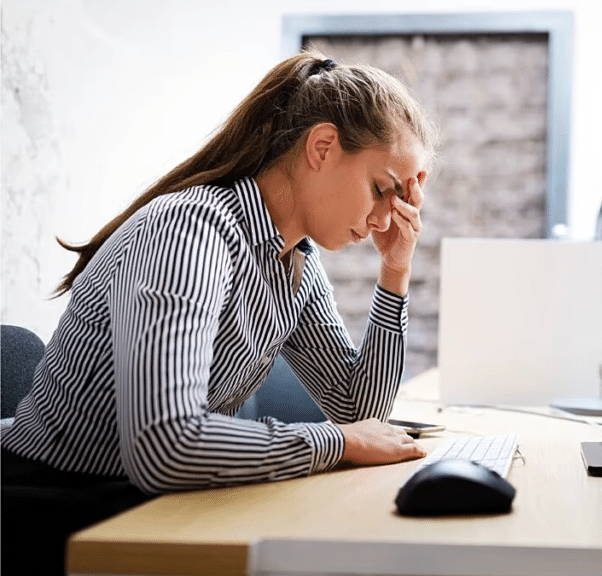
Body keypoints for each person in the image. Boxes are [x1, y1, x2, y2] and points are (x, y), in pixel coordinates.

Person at [1, 50, 434, 574]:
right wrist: (336, 443)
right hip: (52, 505)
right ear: (321, 147)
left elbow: (355, 407)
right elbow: (165, 444)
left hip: (145, 503)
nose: (391, 215)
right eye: (383, 189)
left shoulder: (291, 257)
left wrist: (396, 270)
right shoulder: (188, 232)